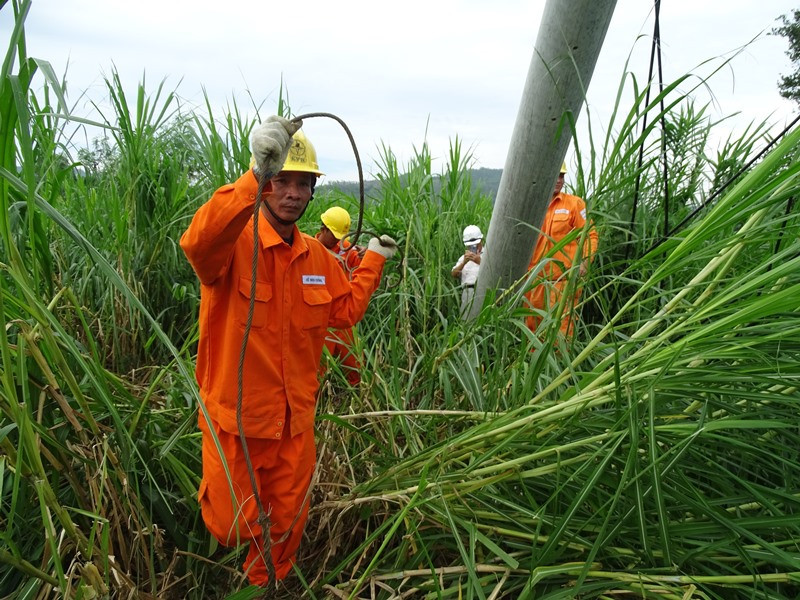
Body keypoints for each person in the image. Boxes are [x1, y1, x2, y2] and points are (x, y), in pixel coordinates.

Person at [180, 116, 397, 587]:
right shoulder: (233, 246)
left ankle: (265, 586)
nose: (294, 193)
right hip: (235, 423)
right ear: (266, 183)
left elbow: (345, 312)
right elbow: (197, 244)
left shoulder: (318, 259)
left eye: (304, 184)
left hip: (295, 426)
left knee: (285, 528)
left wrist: (374, 261)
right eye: (283, 181)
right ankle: (245, 553)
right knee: (231, 524)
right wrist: (254, 176)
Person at [525, 162, 598, 338]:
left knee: (561, 328)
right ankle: (533, 364)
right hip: (534, 280)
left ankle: (558, 364)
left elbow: (590, 236)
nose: (559, 180)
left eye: (562, 176)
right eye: (556, 175)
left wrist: (585, 263)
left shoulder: (575, 204)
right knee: (532, 327)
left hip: (562, 281)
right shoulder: (533, 204)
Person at [315, 206, 364, 386]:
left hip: (343, 316)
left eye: (341, 236)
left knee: (354, 365)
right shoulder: (308, 249)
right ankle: (317, 405)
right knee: (317, 372)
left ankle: (359, 397)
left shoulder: (346, 249)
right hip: (320, 319)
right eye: (335, 235)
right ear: (323, 229)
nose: (338, 240)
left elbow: (359, 272)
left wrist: (365, 258)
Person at [451, 224, 484, 317]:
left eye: (475, 245)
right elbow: (454, 274)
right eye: (470, 246)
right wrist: (464, 263)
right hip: (467, 292)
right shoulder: (463, 258)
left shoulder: (487, 255)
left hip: (482, 291)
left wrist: (480, 261)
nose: (472, 248)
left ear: (481, 241)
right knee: (466, 321)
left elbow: (494, 272)